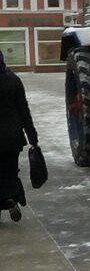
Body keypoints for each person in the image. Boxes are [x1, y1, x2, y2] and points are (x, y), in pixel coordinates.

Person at [0, 50, 39, 222]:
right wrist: (32, 136)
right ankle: (11, 197)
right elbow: (24, 110)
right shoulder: (13, 80)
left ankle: (6, 201)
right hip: (12, 135)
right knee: (10, 169)